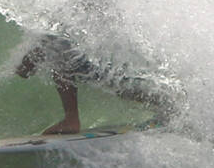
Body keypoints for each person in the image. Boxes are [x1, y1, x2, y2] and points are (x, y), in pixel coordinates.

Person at [15, 33, 173, 135]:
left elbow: (38, 54)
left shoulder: (56, 25)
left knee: (58, 59)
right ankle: (168, 105)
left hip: (92, 60)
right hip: (108, 57)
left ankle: (71, 119)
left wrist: (24, 66)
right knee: (118, 88)